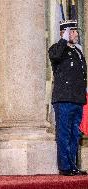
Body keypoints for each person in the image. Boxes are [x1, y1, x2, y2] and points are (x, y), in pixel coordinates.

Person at [49, 19, 87, 176]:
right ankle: (65, 167)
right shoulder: (57, 49)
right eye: (71, 31)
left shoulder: (78, 51)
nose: (75, 34)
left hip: (77, 99)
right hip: (64, 99)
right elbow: (56, 56)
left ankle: (73, 165)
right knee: (64, 133)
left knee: (74, 134)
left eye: (76, 31)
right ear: (63, 33)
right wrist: (64, 39)